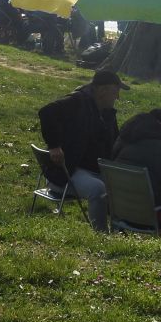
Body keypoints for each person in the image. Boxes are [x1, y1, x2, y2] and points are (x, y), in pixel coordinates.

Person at [38, 69, 127, 232]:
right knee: (97, 189)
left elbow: (115, 142)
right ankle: (101, 234)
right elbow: (46, 112)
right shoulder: (77, 102)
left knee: (123, 184)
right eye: (115, 92)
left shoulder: (107, 112)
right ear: (102, 91)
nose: (117, 97)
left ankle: (118, 231)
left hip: (94, 169)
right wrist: (54, 146)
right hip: (67, 171)